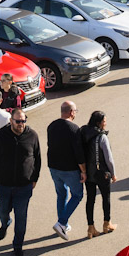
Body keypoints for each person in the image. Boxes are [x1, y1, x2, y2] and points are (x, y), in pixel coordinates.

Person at [0, 108, 41, 256]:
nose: (21, 124)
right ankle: (5, 222)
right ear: (11, 121)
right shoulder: (1, 136)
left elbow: (38, 159)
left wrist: (34, 178)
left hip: (24, 186)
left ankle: (18, 246)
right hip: (4, 185)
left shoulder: (32, 136)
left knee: (21, 217)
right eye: (18, 121)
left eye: (23, 121)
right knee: (2, 210)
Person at [46, 101, 86, 241]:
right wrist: (83, 170)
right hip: (69, 169)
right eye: (75, 111)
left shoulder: (51, 126)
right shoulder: (74, 129)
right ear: (71, 112)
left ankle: (64, 223)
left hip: (54, 168)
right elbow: (78, 153)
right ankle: (61, 222)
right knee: (77, 195)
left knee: (61, 194)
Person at [80, 111, 116, 238]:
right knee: (105, 198)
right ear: (98, 123)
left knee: (90, 199)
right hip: (102, 173)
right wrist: (113, 173)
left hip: (88, 173)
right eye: (104, 121)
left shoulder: (84, 134)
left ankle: (91, 228)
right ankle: (107, 224)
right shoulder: (102, 137)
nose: (105, 124)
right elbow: (109, 158)